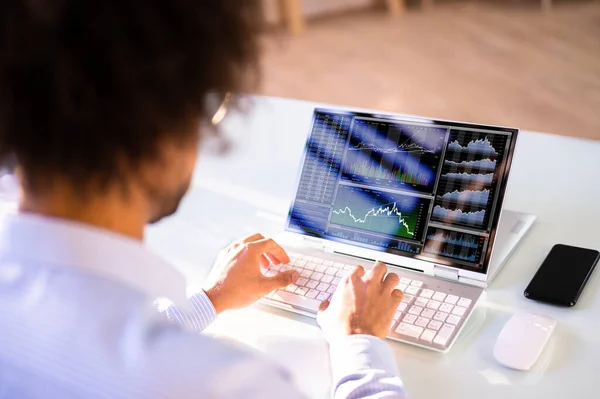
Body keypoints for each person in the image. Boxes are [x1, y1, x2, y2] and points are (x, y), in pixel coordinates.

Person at [0, 1, 407, 398]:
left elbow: (92, 339)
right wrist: (360, 342)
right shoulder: (225, 383)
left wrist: (209, 300)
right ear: (165, 134)